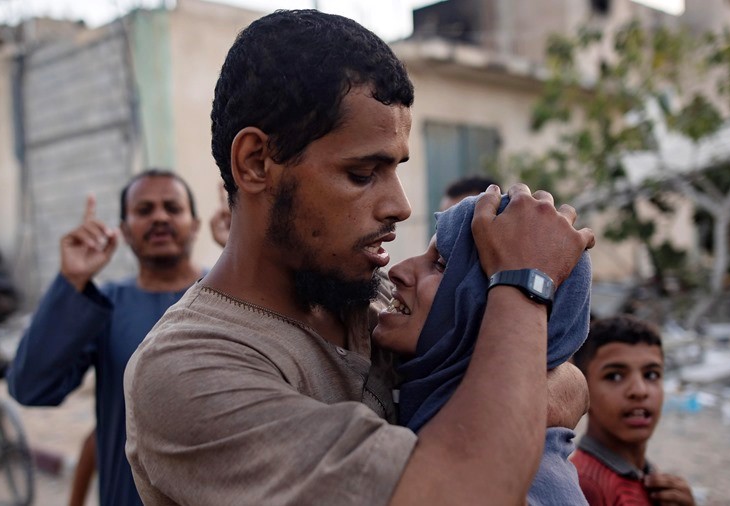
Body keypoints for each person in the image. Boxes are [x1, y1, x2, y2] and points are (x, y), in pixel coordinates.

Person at [124, 9, 595, 505]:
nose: (401, 205)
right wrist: (526, 282)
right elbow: (468, 490)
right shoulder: (189, 369)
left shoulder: (371, 302)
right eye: (362, 174)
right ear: (257, 163)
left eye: (396, 169)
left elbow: (567, 380)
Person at [372, 194, 593, 505]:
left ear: (490, 301)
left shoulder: (529, 484)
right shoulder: (425, 401)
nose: (398, 270)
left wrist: (523, 282)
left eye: (440, 265)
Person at [7, 169, 204, 506]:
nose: (159, 216)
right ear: (125, 231)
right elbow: (30, 386)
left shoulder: (231, 296)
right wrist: (72, 282)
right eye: (144, 210)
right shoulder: (104, 305)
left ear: (195, 224)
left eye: (172, 208)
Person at [571, 315, 696, 506]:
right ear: (583, 388)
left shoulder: (648, 476)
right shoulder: (585, 487)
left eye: (651, 375)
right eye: (614, 376)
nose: (639, 391)